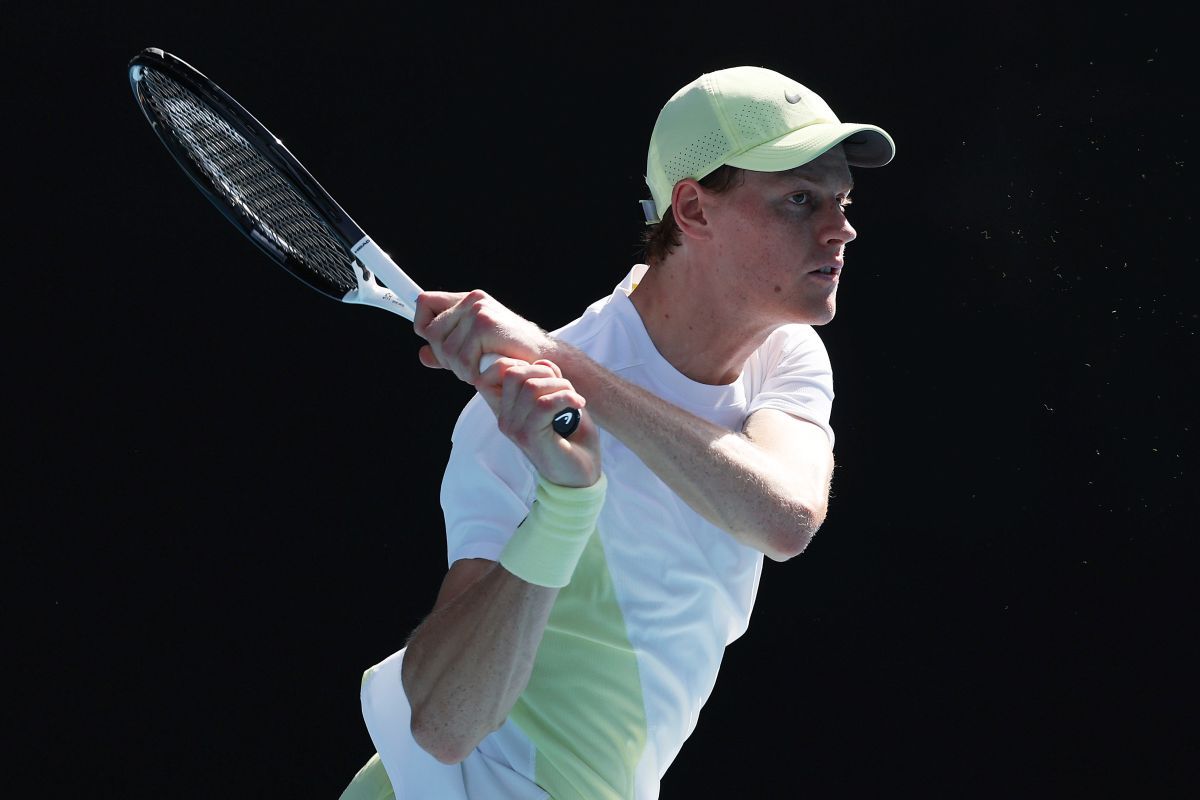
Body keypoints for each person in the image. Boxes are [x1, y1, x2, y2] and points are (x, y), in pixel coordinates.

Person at [340, 65, 895, 800]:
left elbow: (785, 518)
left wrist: (559, 360)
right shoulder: (506, 423)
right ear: (692, 211)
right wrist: (565, 509)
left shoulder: (785, 353)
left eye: (841, 200)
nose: (840, 228)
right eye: (800, 199)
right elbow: (445, 726)